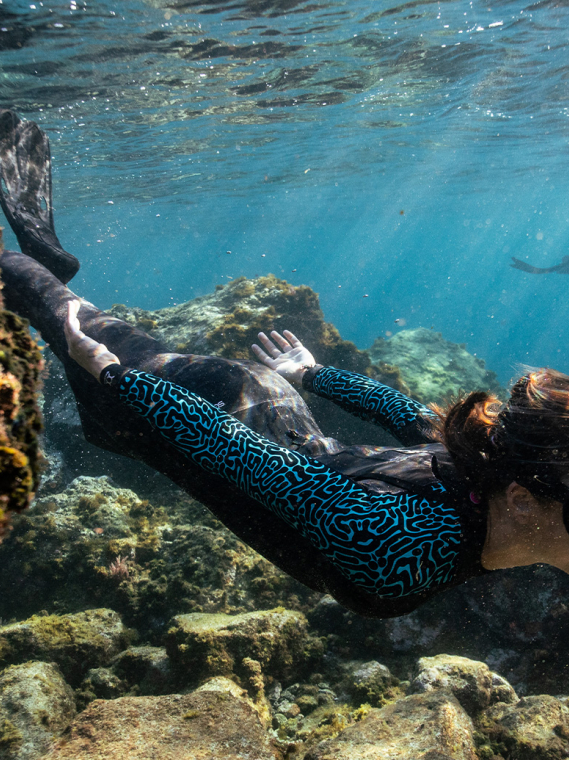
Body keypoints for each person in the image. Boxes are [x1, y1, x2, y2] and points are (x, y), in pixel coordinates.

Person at [3, 110, 569, 620]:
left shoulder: (482, 469)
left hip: (263, 407)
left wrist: (309, 374)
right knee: (72, 331)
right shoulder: (405, 544)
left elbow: (404, 412)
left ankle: (49, 272)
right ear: (521, 499)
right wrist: (119, 378)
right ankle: (40, 266)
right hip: (216, 420)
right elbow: (252, 461)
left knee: (93, 373)